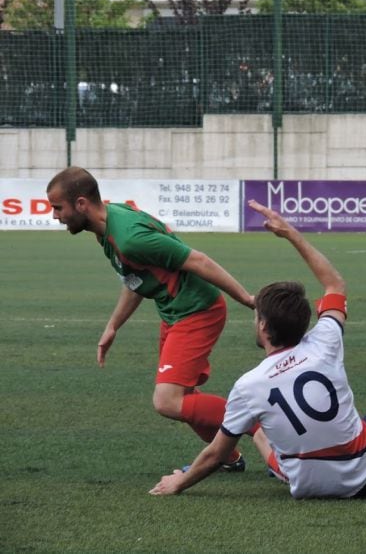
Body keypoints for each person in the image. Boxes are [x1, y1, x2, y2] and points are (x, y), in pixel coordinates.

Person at [149, 200, 366, 499]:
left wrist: (179, 483)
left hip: (302, 484)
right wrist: (291, 234)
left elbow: (214, 455)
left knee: (253, 424)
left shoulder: (246, 385)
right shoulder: (325, 340)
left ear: (263, 327)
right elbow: (334, 283)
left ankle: (287, 461)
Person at [46, 167, 258, 471]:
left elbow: (197, 260)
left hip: (197, 310)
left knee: (167, 401)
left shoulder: (130, 238)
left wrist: (247, 299)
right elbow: (135, 278)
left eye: (58, 207)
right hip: (173, 312)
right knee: (184, 395)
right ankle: (227, 457)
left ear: (81, 204)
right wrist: (113, 326)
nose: (55, 216)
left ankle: (259, 424)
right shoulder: (107, 225)